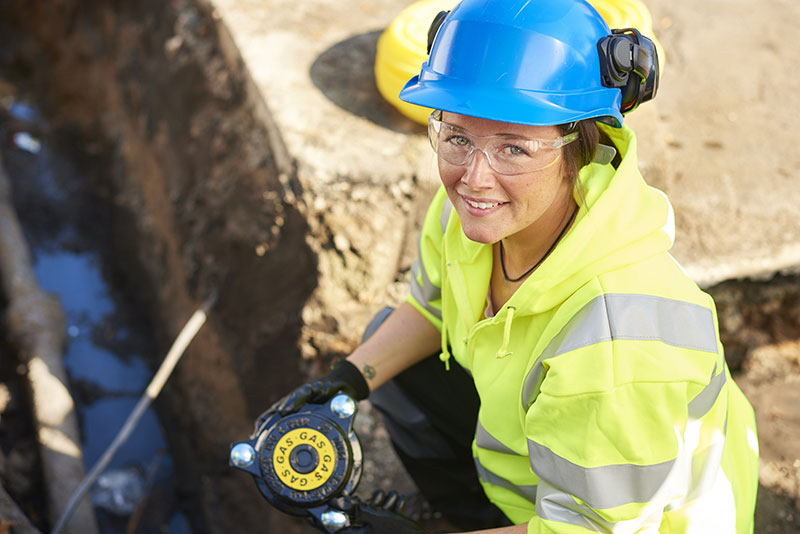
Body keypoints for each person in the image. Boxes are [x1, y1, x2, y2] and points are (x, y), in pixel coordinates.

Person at [261, 0, 759, 532]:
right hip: (545, 480)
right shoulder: (477, 216)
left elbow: (593, 528)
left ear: (581, 144)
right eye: (457, 137)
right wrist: (348, 379)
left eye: (514, 149)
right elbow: (431, 311)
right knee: (389, 349)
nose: (474, 179)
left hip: (630, 522)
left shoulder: (618, 339)